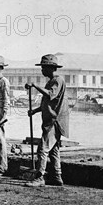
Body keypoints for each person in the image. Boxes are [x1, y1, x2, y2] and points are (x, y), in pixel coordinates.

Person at [25, 54, 69, 187]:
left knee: (43, 148)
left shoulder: (57, 81)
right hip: (51, 120)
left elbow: (50, 94)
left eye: (43, 67)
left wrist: (34, 86)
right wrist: (35, 111)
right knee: (54, 150)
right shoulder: (51, 81)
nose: (42, 70)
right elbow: (47, 103)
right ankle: (57, 176)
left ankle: (39, 177)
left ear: (50, 68)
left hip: (54, 121)